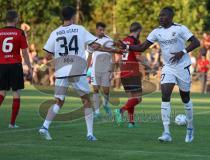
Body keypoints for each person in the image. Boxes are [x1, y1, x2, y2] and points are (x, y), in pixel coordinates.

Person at [118, 7, 200, 142]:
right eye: (159, 16)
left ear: (171, 17)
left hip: (182, 67)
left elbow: (196, 42)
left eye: (163, 16)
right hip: (168, 67)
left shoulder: (180, 29)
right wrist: (126, 47)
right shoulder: (156, 31)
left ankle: (190, 128)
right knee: (165, 95)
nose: (160, 18)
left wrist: (182, 52)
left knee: (185, 98)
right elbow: (142, 47)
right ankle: (166, 133)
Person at [39, 6, 120, 141]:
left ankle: (45, 126)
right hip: (77, 69)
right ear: (73, 17)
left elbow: (47, 55)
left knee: (59, 101)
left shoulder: (55, 32)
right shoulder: (80, 29)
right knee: (86, 101)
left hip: (61, 71)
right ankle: (90, 134)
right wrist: (115, 50)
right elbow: (95, 46)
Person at [0, 10, 32, 128]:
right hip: (15, 65)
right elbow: (24, 52)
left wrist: (2, 59)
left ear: (6, 19)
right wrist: (29, 67)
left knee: (1, 93)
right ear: (16, 19)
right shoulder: (20, 32)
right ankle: (12, 124)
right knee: (16, 94)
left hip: (3, 65)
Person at [114, 22, 143, 128]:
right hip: (132, 73)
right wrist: (149, 65)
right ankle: (121, 110)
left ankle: (131, 122)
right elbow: (138, 57)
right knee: (138, 98)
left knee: (131, 98)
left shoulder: (123, 41)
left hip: (124, 73)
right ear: (139, 30)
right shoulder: (135, 41)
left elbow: (118, 58)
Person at [88, 22, 113, 118]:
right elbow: (89, 55)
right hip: (95, 69)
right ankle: (97, 112)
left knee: (106, 90)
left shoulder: (109, 40)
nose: (102, 31)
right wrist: (86, 68)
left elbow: (113, 54)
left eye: (103, 30)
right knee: (95, 90)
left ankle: (106, 105)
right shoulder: (91, 41)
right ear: (96, 30)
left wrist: (112, 68)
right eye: (100, 30)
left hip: (106, 68)